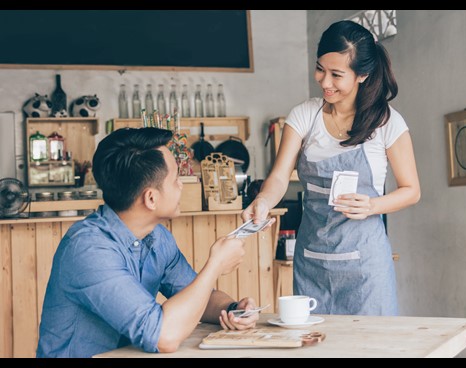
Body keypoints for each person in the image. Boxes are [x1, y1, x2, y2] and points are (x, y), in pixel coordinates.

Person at [242, 20, 420, 316]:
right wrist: (262, 201)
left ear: (362, 74)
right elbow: (278, 177)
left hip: (366, 266)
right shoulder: (304, 115)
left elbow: (411, 190)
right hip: (312, 261)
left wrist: (372, 205)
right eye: (320, 69)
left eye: (336, 74)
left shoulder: (387, 122)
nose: (324, 82)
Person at [37, 127, 259, 358]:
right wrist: (215, 265)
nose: (182, 185)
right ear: (151, 198)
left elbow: (198, 295)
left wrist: (233, 310)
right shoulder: (88, 249)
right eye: (175, 180)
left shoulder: (157, 237)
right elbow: (164, 336)